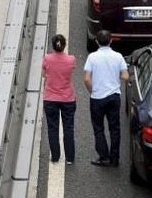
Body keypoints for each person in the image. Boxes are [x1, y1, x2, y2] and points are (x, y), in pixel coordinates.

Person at [83, 30, 129, 166]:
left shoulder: (92, 57)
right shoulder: (118, 56)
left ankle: (104, 156)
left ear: (96, 41)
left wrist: (92, 90)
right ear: (111, 40)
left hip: (97, 97)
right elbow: (125, 76)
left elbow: (86, 79)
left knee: (98, 128)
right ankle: (115, 158)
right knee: (114, 128)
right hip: (114, 97)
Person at [42, 34, 77, 164]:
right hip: (68, 98)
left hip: (50, 98)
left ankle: (55, 156)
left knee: (52, 128)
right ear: (64, 45)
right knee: (68, 128)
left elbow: (43, 74)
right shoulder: (71, 59)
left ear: (53, 45)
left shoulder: (47, 59)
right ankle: (70, 158)